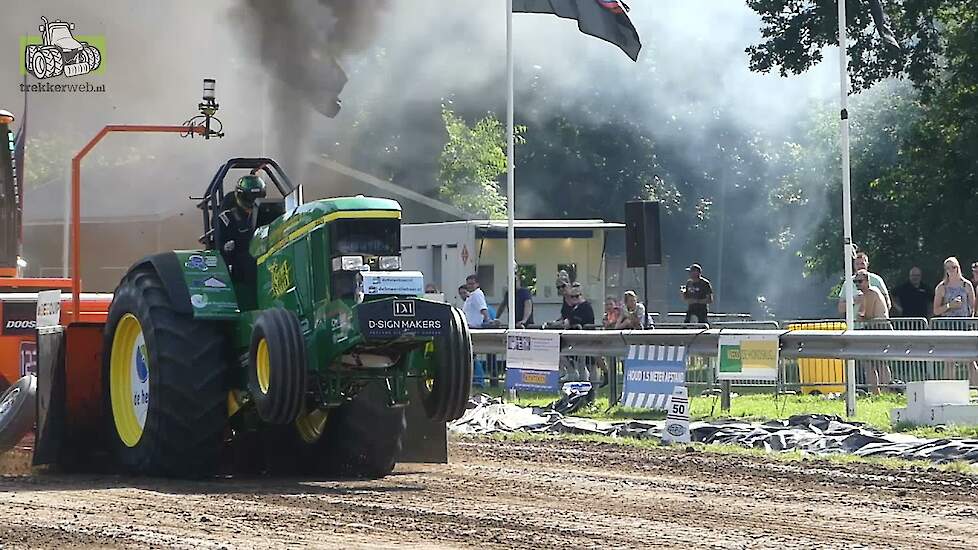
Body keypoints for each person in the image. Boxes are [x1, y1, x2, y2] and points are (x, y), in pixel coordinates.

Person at [218, 174, 266, 284]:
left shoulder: (270, 213)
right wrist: (226, 247)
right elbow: (219, 244)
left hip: (267, 253)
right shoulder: (227, 218)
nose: (253, 201)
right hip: (242, 260)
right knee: (250, 261)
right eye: (250, 197)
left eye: (257, 197)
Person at [837, 251, 890, 318]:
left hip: (875, 324)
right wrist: (853, 301)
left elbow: (887, 302)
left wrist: (881, 317)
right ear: (853, 265)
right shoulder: (848, 283)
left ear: (867, 264)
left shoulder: (877, 280)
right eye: (857, 264)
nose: (860, 266)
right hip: (856, 325)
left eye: (862, 263)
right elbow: (840, 308)